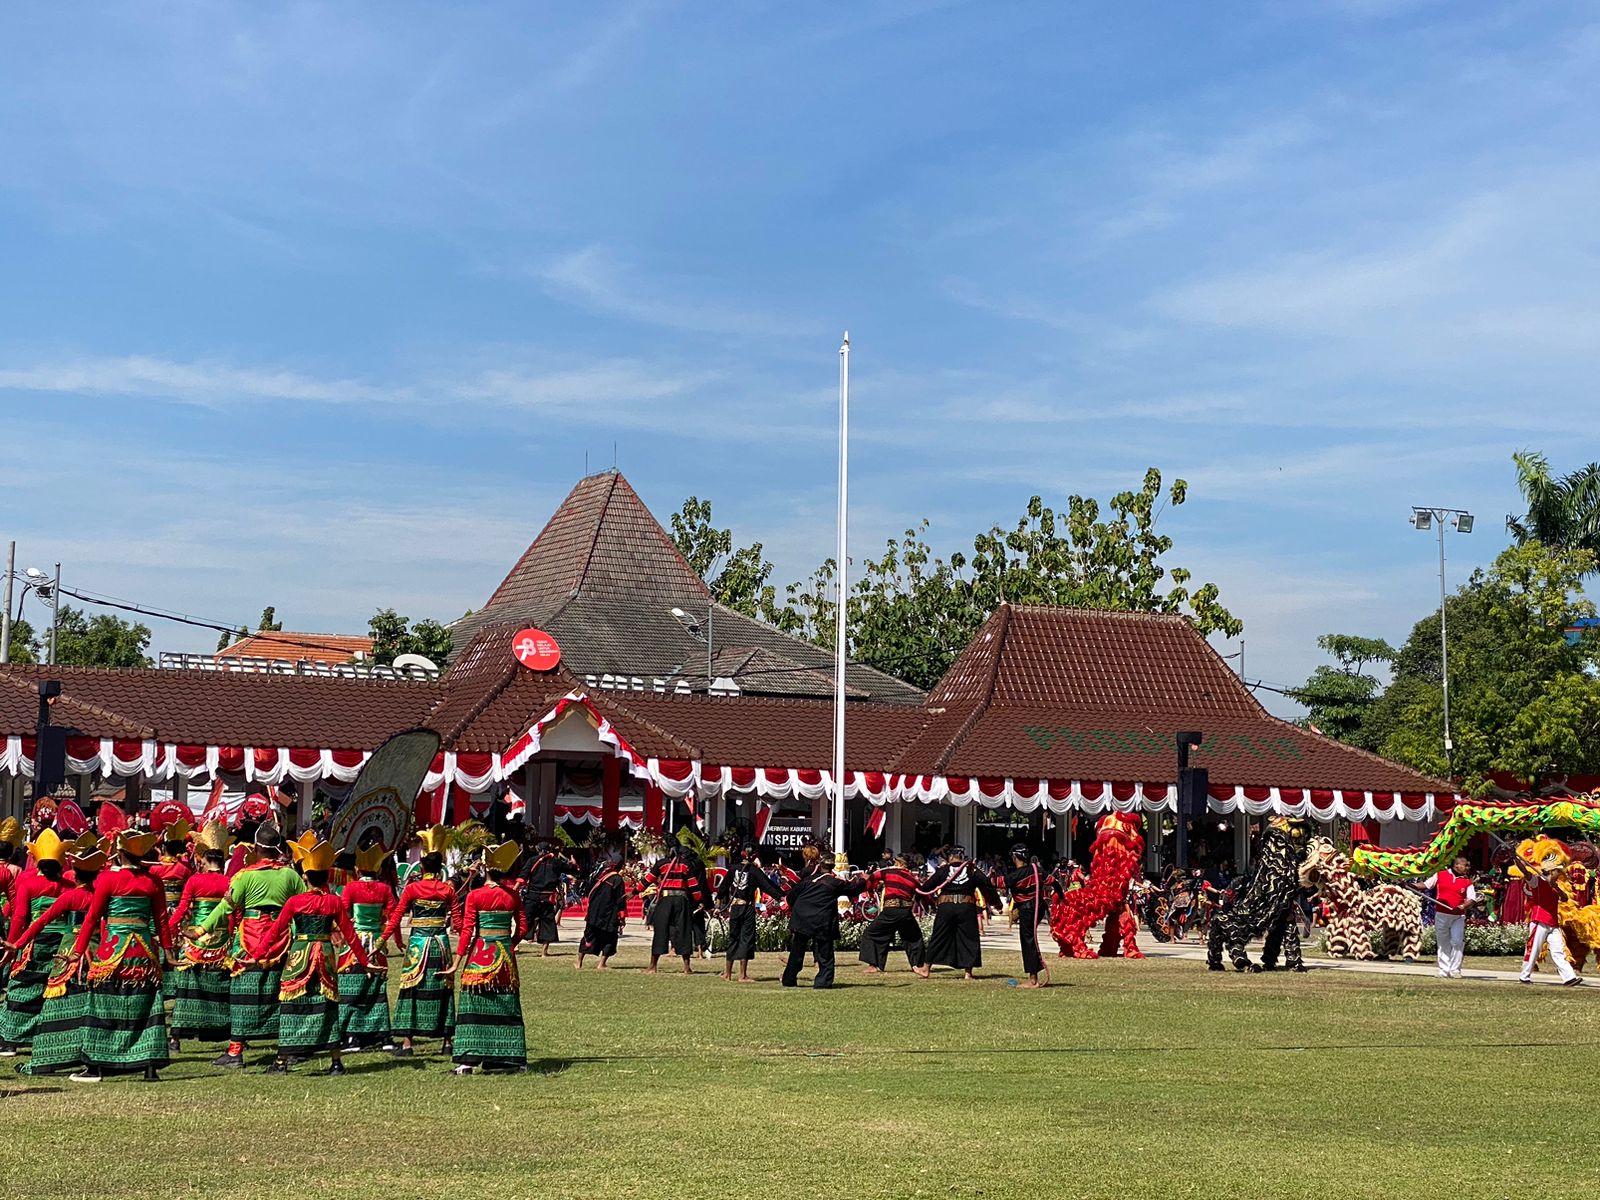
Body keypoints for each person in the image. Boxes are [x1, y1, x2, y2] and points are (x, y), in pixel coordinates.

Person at [250, 834, 372, 1075]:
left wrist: (256, 956)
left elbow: (276, 931)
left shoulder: (295, 902)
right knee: (328, 1005)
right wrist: (366, 962)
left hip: (300, 955)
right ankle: (336, 1062)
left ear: (305, 876)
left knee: (290, 1005)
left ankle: (282, 1061)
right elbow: (350, 935)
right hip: (325, 955)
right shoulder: (334, 903)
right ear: (326, 876)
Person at [64, 829, 174, 1083]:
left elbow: (92, 918)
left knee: (104, 1003)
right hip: (144, 952)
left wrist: (78, 952)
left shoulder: (105, 880)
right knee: (144, 1004)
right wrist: (168, 952)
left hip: (113, 950)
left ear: (120, 852)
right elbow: (161, 921)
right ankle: (148, 1066)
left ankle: (95, 1067)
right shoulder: (153, 881)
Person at [193, 823, 306, 1068]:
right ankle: (288, 1048)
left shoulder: (244, 876)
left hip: (249, 940)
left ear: (255, 848)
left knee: (241, 993)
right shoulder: (290, 875)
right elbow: (304, 903)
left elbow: (226, 907)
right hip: (281, 939)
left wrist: (202, 929)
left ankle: (235, 1052)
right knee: (280, 992)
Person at [7, 835, 106, 1076]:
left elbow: (37, 920)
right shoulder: (97, 897)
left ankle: (44, 1058)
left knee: (54, 1005)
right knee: (90, 1004)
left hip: (66, 951)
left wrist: (16, 943)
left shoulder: (69, 895)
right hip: (95, 953)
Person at [440, 841, 527, 1075]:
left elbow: (467, 931)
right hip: (505, 958)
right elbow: (523, 928)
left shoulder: (475, 896)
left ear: (485, 869)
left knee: (473, 1006)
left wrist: (457, 962)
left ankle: (467, 1062)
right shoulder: (512, 896)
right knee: (507, 1005)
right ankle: (508, 1060)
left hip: (479, 956)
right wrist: (509, 944)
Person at [381, 826, 459, 1058]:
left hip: (417, 944)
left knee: (411, 989)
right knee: (443, 989)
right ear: (440, 866)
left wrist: (382, 940)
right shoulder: (447, 890)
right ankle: (447, 1042)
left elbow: (396, 916)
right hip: (440, 945)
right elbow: (458, 922)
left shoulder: (413, 888)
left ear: (423, 866)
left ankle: (407, 1043)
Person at [0, 828, 69, 1055]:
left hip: (34, 942)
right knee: (53, 990)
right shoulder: (68, 886)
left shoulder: (28, 884)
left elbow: (20, 918)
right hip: (61, 944)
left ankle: (11, 1039)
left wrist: (12, 946)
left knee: (21, 987)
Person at [168, 821, 234, 1051]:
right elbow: (232, 914)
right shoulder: (229, 882)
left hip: (196, 940)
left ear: (204, 859)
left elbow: (181, 910)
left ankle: (176, 1037)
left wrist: (167, 929)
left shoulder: (195, 881)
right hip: (222, 941)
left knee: (186, 989)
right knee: (220, 986)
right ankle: (222, 1029)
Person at [779, 845, 868, 989]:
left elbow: (791, 897)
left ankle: (789, 979)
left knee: (797, 951)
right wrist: (864, 880)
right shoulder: (835, 883)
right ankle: (822, 982)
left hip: (802, 918)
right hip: (821, 920)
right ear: (833, 866)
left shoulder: (809, 880)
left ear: (820, 865)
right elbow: (854, 889)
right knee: (824, 952)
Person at [337, 843, 396, 1052]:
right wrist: (394, 941)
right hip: (377, 946)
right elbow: (393, 917)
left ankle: (352, 1036)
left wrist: (342, 935)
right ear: (378, 869)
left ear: (357, 869)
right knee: (377, 990)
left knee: (351, 989)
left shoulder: (350, 888)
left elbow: (343, 914)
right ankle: (383, 1036)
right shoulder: (385, 889)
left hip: (355, 945)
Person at [919, 846, 1002, 979]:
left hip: (946, 907)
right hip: (966, 907)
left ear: (950, 857)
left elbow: (927, 887)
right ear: (962, 857)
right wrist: (996, 903)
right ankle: (968, 973)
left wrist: (921, 900)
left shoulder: (943, 871)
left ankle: (926, 968)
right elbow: (986, 885)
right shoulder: (972, 870)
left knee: (939, 936)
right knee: (968, 937)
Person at [857, 852, 928, 978]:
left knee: (872, 933)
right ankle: (918, 966)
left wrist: (870, 891)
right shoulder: (912, 879)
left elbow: (873, 877)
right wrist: (930, 905)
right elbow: (923, 894)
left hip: (891, 910)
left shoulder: (888, 872)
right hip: (906, 912)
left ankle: (874, 965)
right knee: (913, 938)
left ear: (899, 863)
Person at [717, 843, 780, 983]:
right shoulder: (754, 871)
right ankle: (742, 975)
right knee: (746, 938)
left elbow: (722, 888)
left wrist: (717, 906)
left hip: (734, 907)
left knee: (733, 938)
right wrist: (782, 897)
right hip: (747, 908)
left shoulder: (733, 869)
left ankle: (727, 974)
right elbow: (768, 887)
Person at [645, 844, 709, 975]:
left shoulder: (661, 864)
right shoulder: (685, 865)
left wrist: (634, 892)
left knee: (660, 931)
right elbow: (693, 885)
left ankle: (653, 966)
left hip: (665, 900)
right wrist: (699, 901)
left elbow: (648, 880)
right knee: (684, 931)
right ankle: (686, 967)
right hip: (681, 900)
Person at [1518, 854, 1580, 986]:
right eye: (1558, 871)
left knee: (1559, 951)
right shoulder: (1537, 881)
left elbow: (1564, 899)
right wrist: (1515, 858)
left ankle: (1569, 978)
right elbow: (1525, 871)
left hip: (1553, 923)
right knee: (1533, 950)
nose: (1560, 873)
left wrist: (1555, 887)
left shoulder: (1555, 885)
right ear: (1552, 871)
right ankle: (1524, 976)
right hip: (1539, 920)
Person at [1002, 845, 1050, 988]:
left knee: (1028, 940)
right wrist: (1061, 897)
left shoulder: (1016, 875)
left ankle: (1033, 980)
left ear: (1014, 857)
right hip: (1038, 908)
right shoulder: (1038, 871)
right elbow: (1053, 882)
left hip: (1028, 909)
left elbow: (995, 883)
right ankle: (1033, 975)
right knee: (1029, 938)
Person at [1421, 855, 1476, 979]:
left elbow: (1472, 899)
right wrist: (1411, 886)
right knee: (1443, 943)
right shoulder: (1440, 875)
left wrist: (1463, 906)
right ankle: (1443, 970)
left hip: (1458, 916)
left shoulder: (1467, 881)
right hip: (1441, 915)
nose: (1468, 867)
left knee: (1457, 942)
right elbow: (1426, 885)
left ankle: (1455, 970)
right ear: (1456, 865)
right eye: (1465, 865)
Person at [576, 851, 630, 971]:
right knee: (610, 938)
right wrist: (622, 917)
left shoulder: (599, 875)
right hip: (609, 914)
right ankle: (601, 964)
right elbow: (620, 900)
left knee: (588, 936)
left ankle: (579, 962)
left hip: (594, 912)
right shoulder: (617, 879)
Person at [521, 841, 574, 957]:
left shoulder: (532, 860)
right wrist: (573, 864)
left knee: (525, 921)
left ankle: (515, 946)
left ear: (538, 849)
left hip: (532, 896)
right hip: (547, 897)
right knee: (547, 923)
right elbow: (570, 870)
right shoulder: (556, 862)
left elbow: (523, 876)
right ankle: (544, 952)